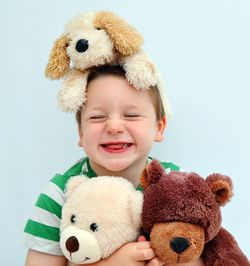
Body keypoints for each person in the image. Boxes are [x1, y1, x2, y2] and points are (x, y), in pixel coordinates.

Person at [23, 65, 205, 266]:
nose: (114, 127)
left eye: (131, 115)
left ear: (159, 127)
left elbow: (202, 255)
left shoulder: (175, 184)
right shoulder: (60, 194)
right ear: (81, 134)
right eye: (97, 117)